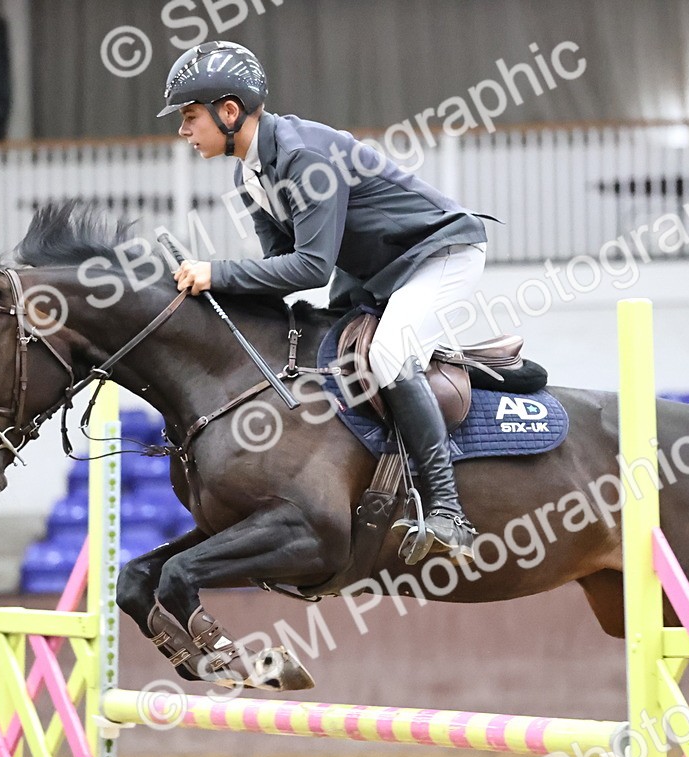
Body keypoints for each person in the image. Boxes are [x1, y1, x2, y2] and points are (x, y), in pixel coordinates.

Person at [162, 41, 490, 563]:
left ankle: (449, 513)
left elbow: (312, 267)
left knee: (386, 356)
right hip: (378, 273)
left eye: (189, 115)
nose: (183, 129)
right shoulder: (248, 174)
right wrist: (212, 289)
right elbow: (279, 273)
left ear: (229, 112)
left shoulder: (301, 155)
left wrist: (216, 271)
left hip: (439, 253)